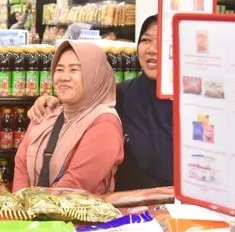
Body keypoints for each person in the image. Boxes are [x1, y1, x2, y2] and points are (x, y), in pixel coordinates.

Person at [30, 16, 171, 189]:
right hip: (126, 208)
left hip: (186, 210)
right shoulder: (120, 95)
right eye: (145, 40)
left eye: (162, 42)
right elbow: (79, 106)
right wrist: (52, 101)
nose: (151, 49)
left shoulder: (195, 104)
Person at [13, 41, 124, 194]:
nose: (64, 77)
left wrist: (32, 210)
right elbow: (21, 165)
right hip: (31, 214)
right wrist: (19, 208)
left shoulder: (105, 124)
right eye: (59, 69)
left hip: (74, 216)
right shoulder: (48, 112)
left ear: (94, 75)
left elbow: (75, 184)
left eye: (74, 70)